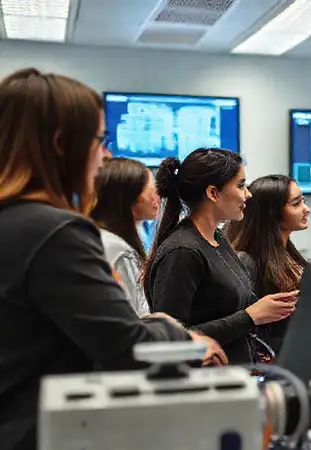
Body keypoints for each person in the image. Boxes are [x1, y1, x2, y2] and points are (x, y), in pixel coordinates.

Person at [0, 68, 225, 449]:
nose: (105, 156)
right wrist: (176, 332)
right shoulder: (57, 233)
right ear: (61, 144)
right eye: (99, 140)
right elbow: (127, 349)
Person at [143, 149, 296, 365]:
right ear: (214, 193)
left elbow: (232, 311)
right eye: (241, 185)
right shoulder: (182, 252)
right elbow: (171, 339)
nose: (248, 194)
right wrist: (251, 316)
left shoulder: (217, 238)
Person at [227, 174, 310, 357]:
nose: (307, 209)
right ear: (272, 213)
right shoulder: (247, 262)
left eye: (303, 201)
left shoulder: (289, 255)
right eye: (296, 204)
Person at [91, 157, 160, 316]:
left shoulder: (99, 237)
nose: (156, 197)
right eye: (150, 190)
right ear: (130, 197)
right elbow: (135, 315)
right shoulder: (118, 249)